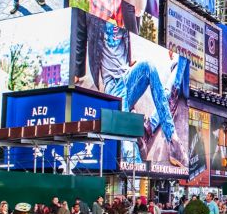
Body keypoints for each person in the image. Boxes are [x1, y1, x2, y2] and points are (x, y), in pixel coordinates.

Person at [73, 9, 186, 168]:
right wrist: (77, 71)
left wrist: (130, 61)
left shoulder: (124, 6)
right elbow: (80, 35)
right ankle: (136, 177)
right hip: (112, 83)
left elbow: (128, 36)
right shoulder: (92, 9)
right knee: (128, 143)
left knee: (149, 67)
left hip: (126, 74)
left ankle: (173, 139)